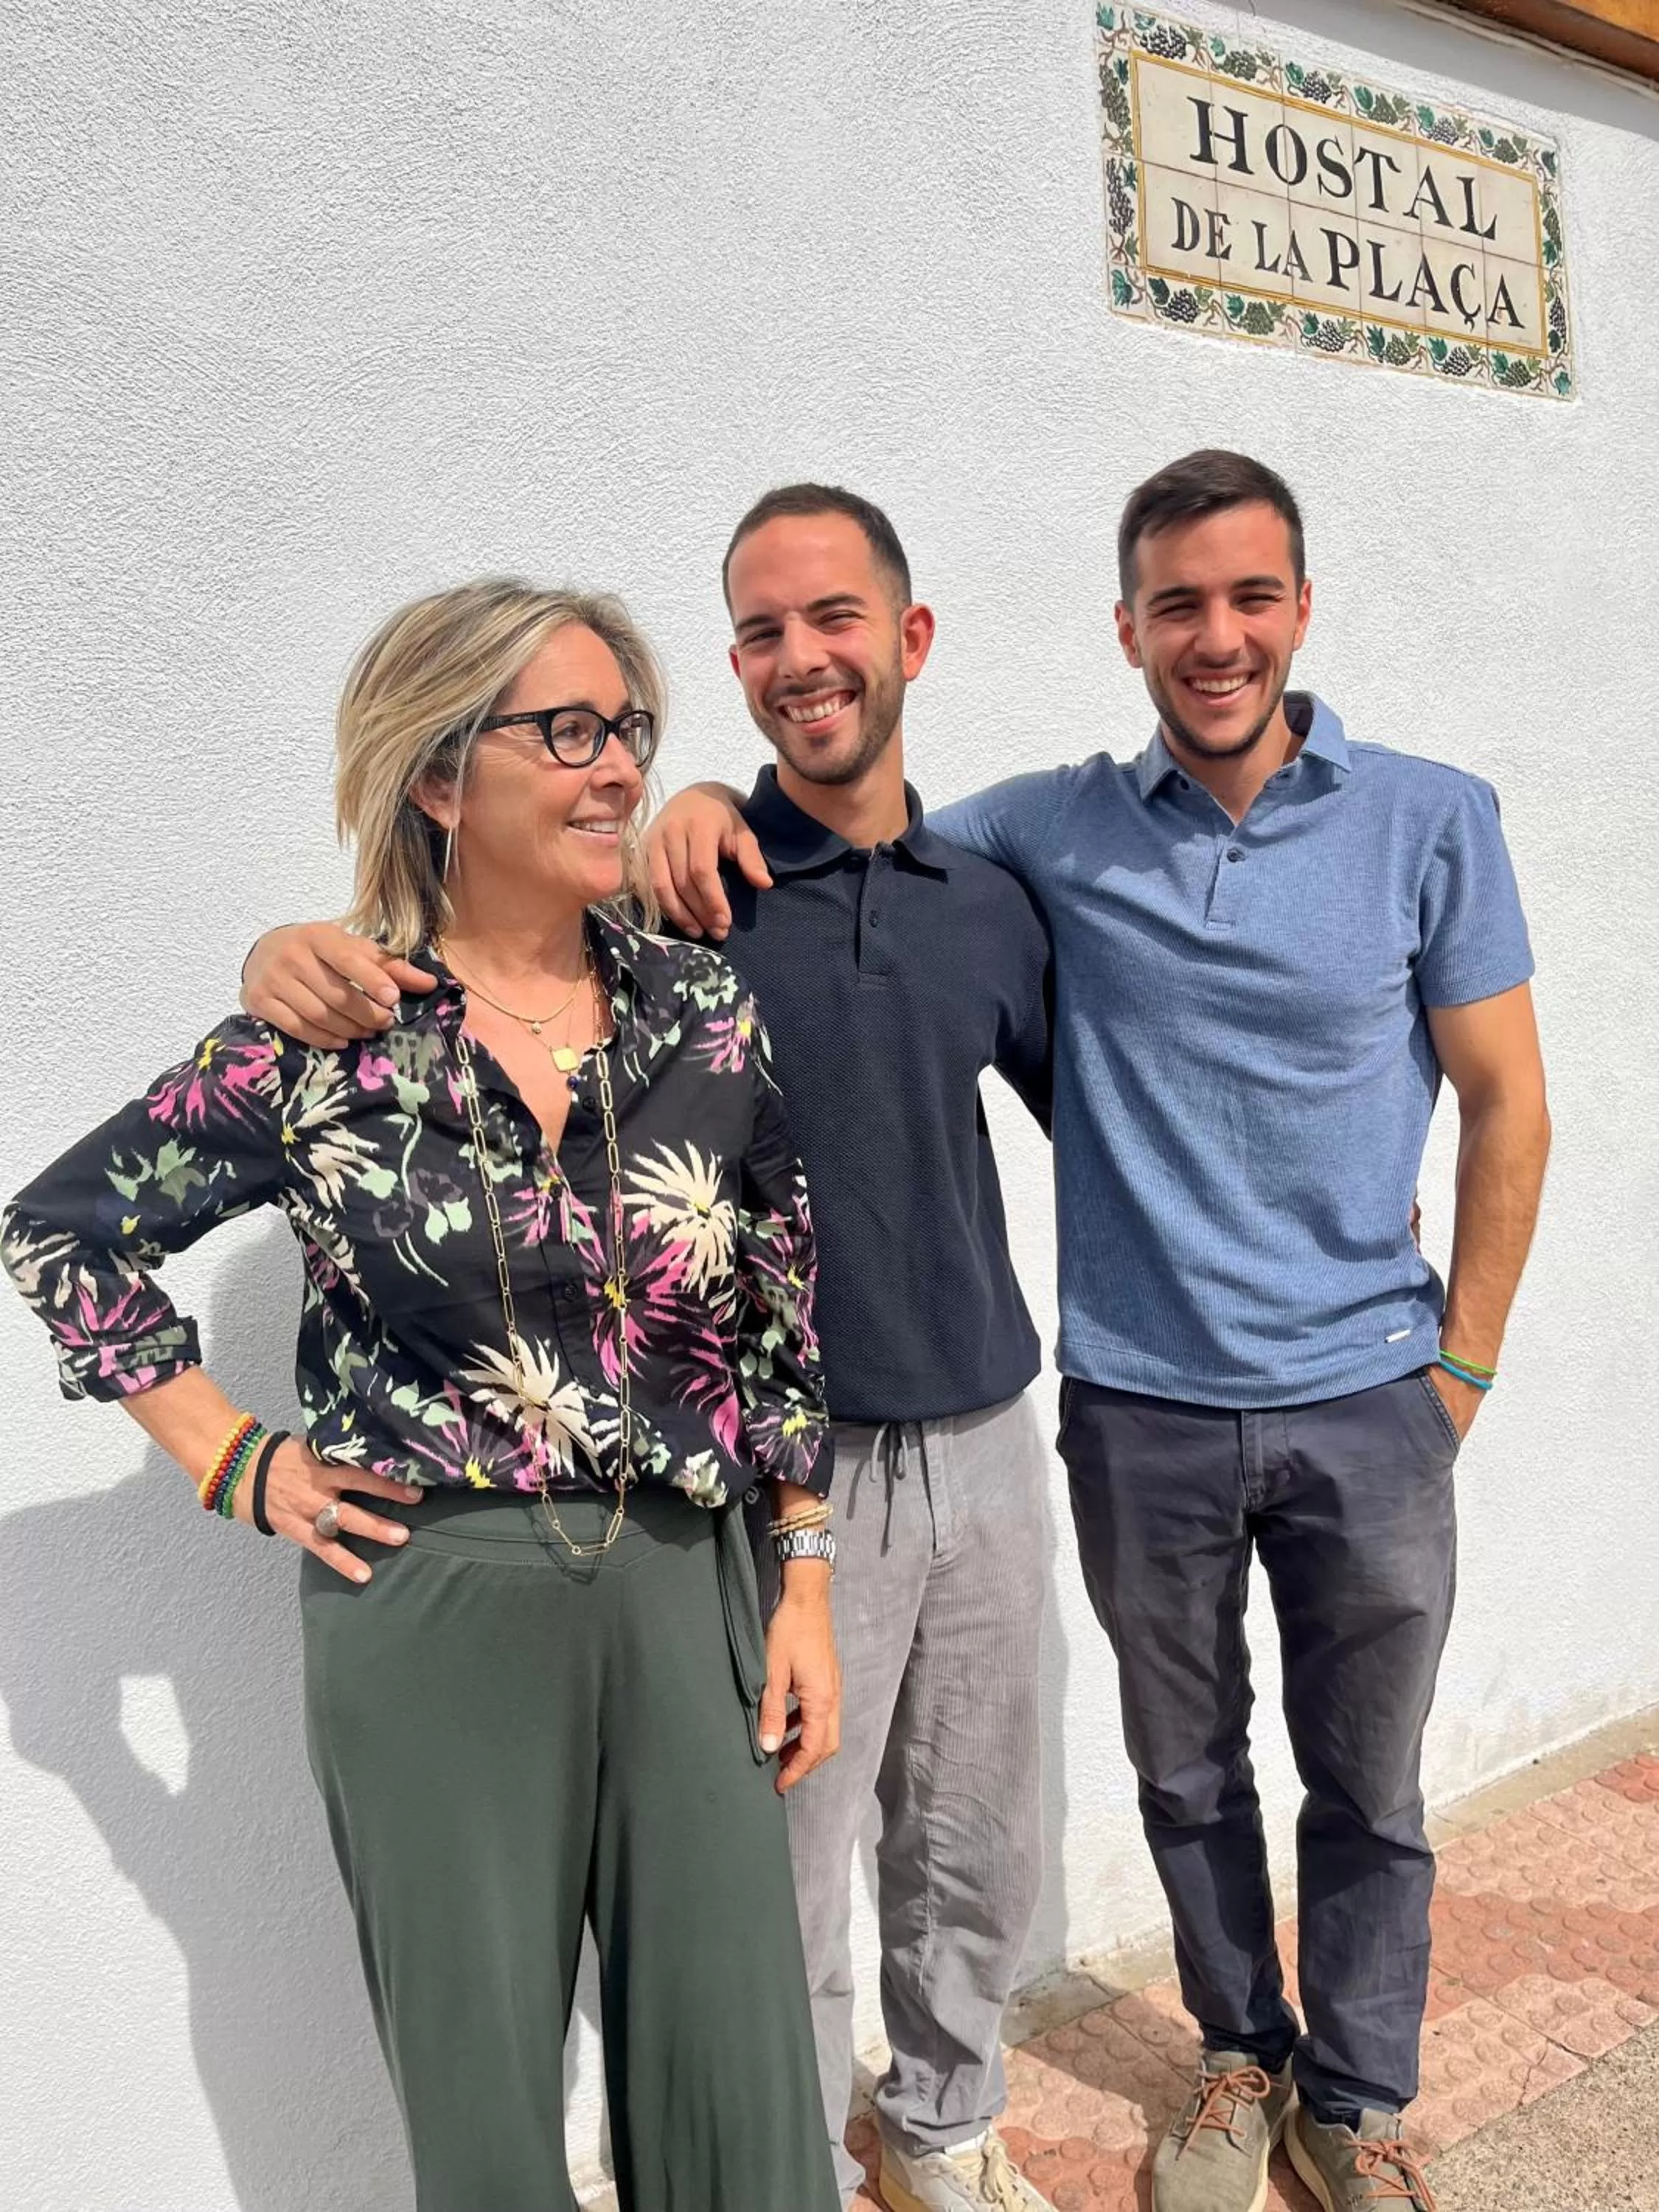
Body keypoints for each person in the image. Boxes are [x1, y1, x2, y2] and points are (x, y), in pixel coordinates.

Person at [644, 451, 1552, 2212]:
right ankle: (1231, 2059)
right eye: (1178, 605)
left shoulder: (1431, 818)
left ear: (1301, 607)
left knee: (1368, 1786)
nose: (1217, 637)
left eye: (1251, 596)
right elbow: (849, 825)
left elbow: (1510, 1103)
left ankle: (1348, 2104)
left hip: (1372, 1397)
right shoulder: (1037, 834)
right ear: (1124, 627)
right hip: (1127, 1404)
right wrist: (696, 793)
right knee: (1183, 1766)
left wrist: (1464, 1363)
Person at [238, 494, 1061, 2212]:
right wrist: (237, 1460)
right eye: (756, 634)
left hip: (935, 1451)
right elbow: (78, 1219)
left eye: (832, 619)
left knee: (974, 1858)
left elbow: (1070, 1137)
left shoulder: (974, 900)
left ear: (913, 638)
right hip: (661, 1523)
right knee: (769, 1920)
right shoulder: (681, 897)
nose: (794, 661)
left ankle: (938, 2139)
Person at [2, 579, 844, 2212]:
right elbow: (60, 1233)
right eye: (573, 731)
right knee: (482, 2120)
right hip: (432, 1603)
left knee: (745, 2098)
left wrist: (803, 1572)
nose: (618, 772)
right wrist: (236, 1460)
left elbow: (780, 1312)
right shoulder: (332, 1036)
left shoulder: (706, 1012)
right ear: (441, 775)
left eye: (633, 733)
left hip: (689, 1593)